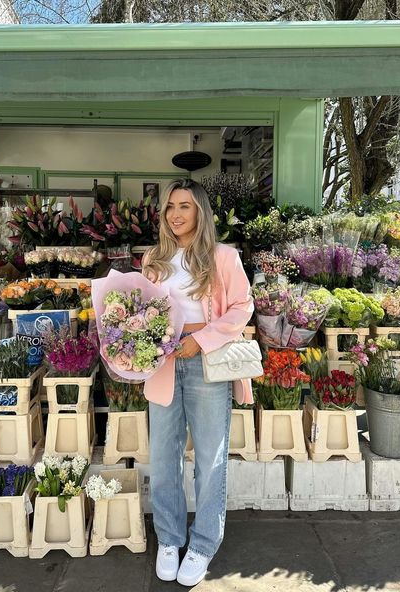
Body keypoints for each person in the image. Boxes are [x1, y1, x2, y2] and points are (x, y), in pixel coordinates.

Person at [142, 178, 254, 587]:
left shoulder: (222, 256)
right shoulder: (154, 258)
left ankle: (204, 543)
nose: (175, 214)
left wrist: (200, 340)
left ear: (200, 212)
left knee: (210, 457)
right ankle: (170, 539)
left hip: (206, 362)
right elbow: (142, 310)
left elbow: (244, 306)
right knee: (164, 456)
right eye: (170, 206)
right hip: (163, 365)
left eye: (185, 206)